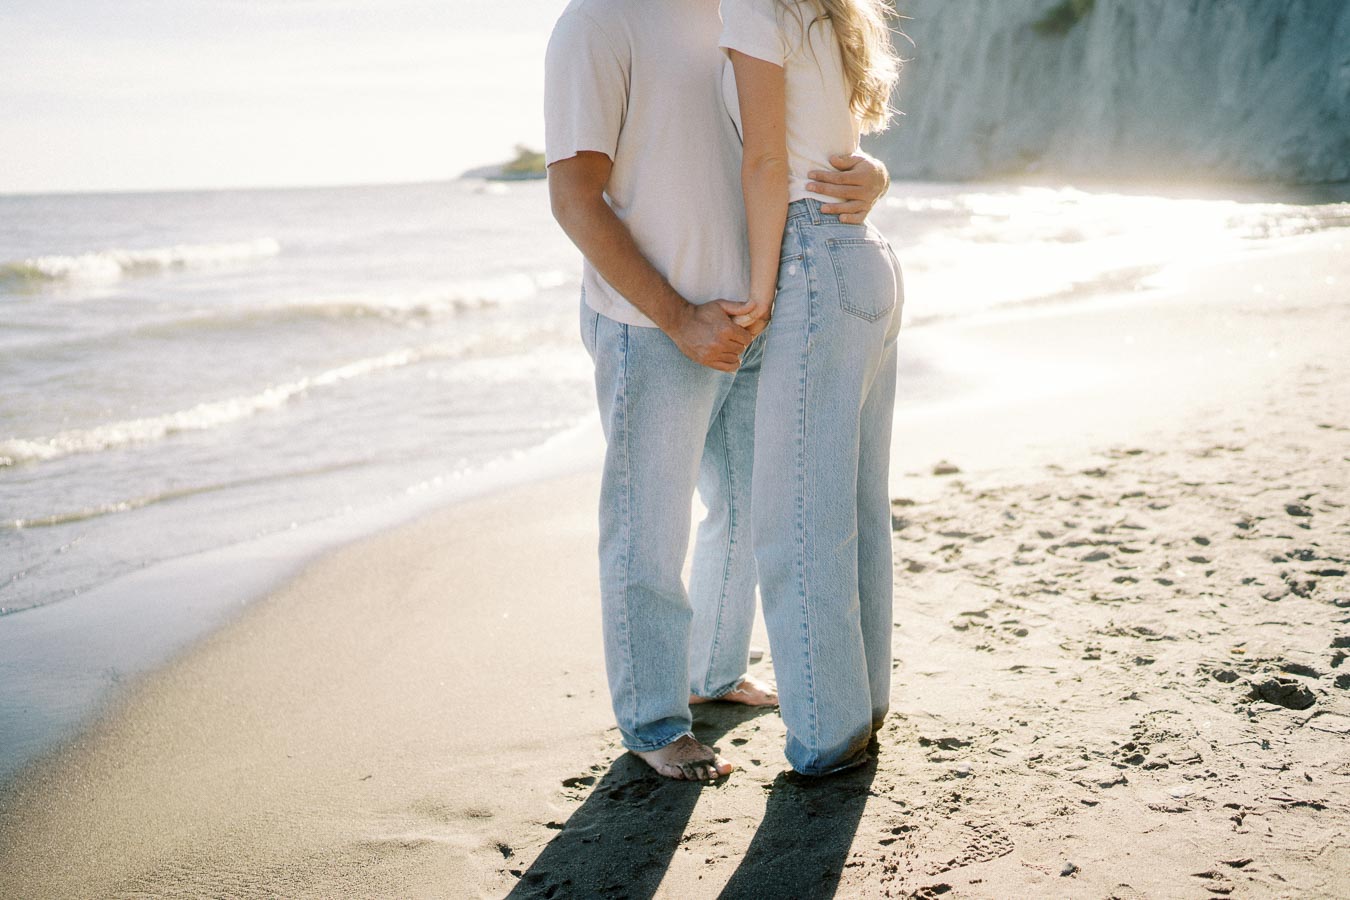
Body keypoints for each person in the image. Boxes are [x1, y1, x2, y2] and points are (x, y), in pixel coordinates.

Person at [544, 0, 891, 781]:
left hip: (765, 308)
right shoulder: (596, 23)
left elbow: (791, 140)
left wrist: (874, 173)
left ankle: (714, 674)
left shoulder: (743, 7)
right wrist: (675, 315)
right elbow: (573, 198)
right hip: (652, 322)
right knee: (647, 528)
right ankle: (654, 721)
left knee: (742, 506)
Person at [718, 0, 904, 775]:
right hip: (863, 254)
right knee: (854, 504)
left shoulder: (755, 5)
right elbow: (838, 149)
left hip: (807, 258)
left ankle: (827, 734)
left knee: (794, 514)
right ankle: (859, 708)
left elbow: (766, 163)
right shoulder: (830, 10)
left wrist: (759, 295)